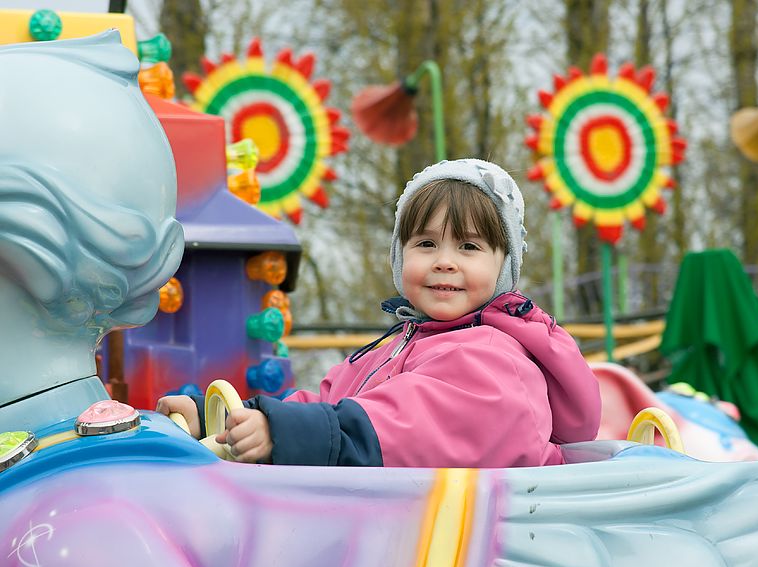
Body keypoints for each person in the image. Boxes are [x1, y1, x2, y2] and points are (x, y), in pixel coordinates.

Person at [157, 158, 601, 467]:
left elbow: (405, 430)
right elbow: (330, 406)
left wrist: (282, 433)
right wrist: (228, 416)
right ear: (399, 256)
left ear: (504, 267)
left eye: (468, 247)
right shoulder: (391, 349)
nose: (444, 261)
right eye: (426, 244)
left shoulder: (492, 358)